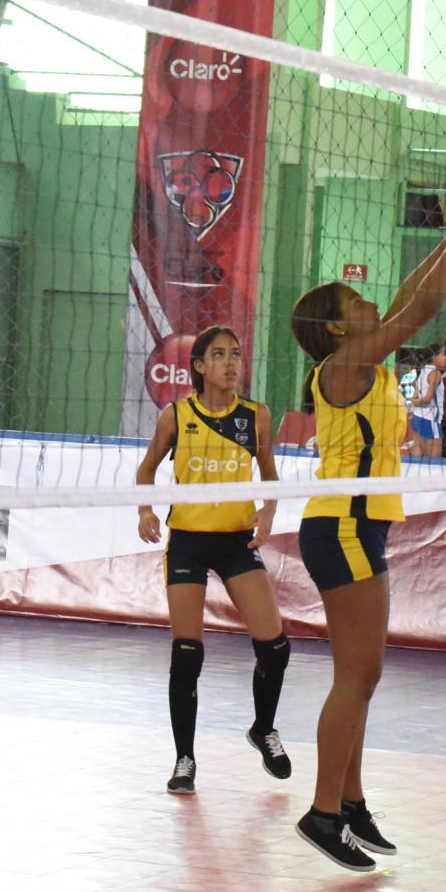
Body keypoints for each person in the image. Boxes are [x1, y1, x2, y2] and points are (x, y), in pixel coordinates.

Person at [287, 208, 446, 870]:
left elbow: (409, 293)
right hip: (341, 524)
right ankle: (322, 813)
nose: (373, 299)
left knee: (362, 676)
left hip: (359, 525)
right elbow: (425, 305)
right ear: (339, 326)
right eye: (357, 299)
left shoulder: (364, 360)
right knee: (358, 674)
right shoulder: (344, 364)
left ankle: (349, 803)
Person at [133, 327, 290, 795]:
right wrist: (145, 508)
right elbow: (146, 469)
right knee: (187, 654)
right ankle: (185, 758)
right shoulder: (176, 416)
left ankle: (264, 729)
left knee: (276, 648)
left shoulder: (256, 416)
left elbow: (270, 474)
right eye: (219, 355)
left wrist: (268, 512)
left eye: (236, 355)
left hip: (236, 541)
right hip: (187, 542)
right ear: (198, 366)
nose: (230, 363)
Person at [407, 346, 445, 457]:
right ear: (434, 357)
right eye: (442, 355)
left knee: (417, 451)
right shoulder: (435, 373)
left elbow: (414, 398)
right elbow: (428, 399)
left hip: (417, 417)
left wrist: (416, 402)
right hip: (431, 418)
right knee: (434, 463)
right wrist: (420, 402)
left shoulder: (422, 371)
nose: (445, 358)